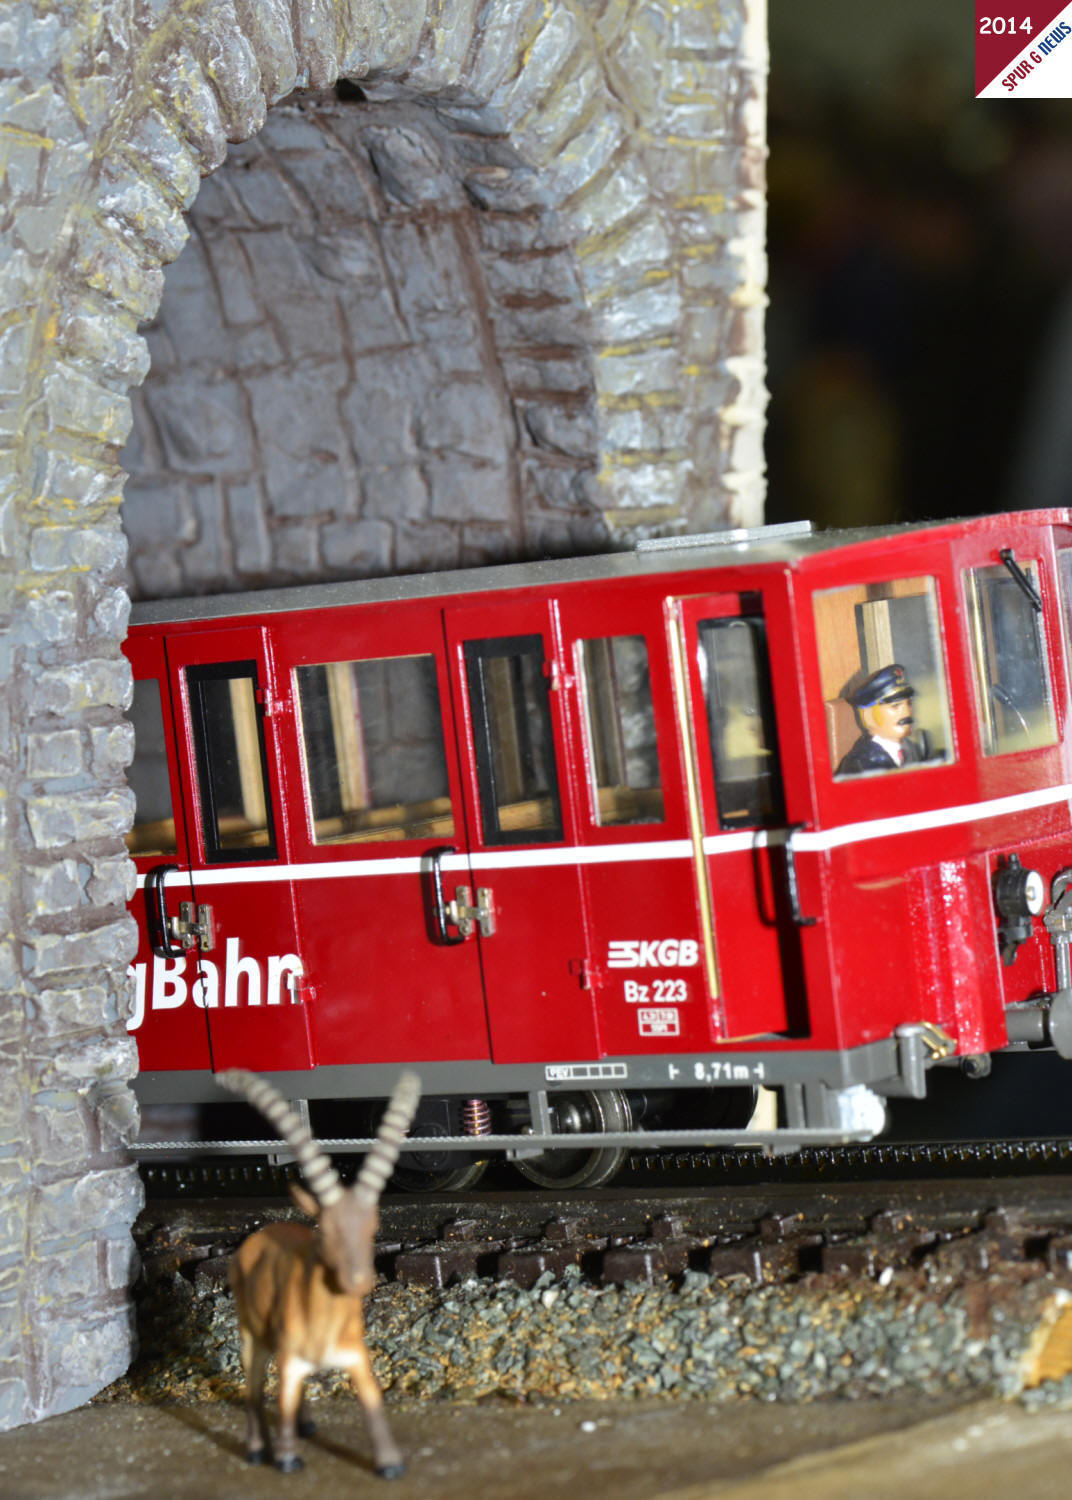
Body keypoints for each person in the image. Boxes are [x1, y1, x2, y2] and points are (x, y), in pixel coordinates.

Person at [836, 663, 923, 775]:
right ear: (869, 715)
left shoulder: (912, 749)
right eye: (895, 706)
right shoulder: (860, 764)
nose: (907, 713)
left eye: (909, 703)